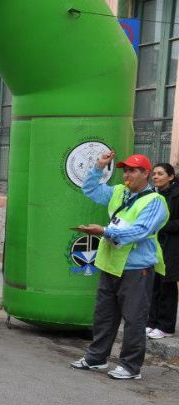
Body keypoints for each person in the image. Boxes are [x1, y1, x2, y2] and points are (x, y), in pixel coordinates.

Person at [71, 152, 168, 380]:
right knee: (104, 315)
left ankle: (131, 366)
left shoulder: (155, 201)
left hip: (136, 268)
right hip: (109, 264)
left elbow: (141, 231)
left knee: (134, 318)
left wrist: (104, 231)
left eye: (133, 171)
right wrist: (98, 167)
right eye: (125, 170)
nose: (127, 175)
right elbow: (90, 190)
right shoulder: (119, 192)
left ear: (146, 174)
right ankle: (96, 358)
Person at [148, 163, 179, 339]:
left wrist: (163, 225)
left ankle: (166, 326)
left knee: (167, 285)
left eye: (160, 174)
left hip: (172, 246)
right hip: (155, 244)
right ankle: (152, 322)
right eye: (154, 174)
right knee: (153, 284)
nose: (156, 177)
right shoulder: (153, 194)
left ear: (171, 176)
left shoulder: (177, 194)